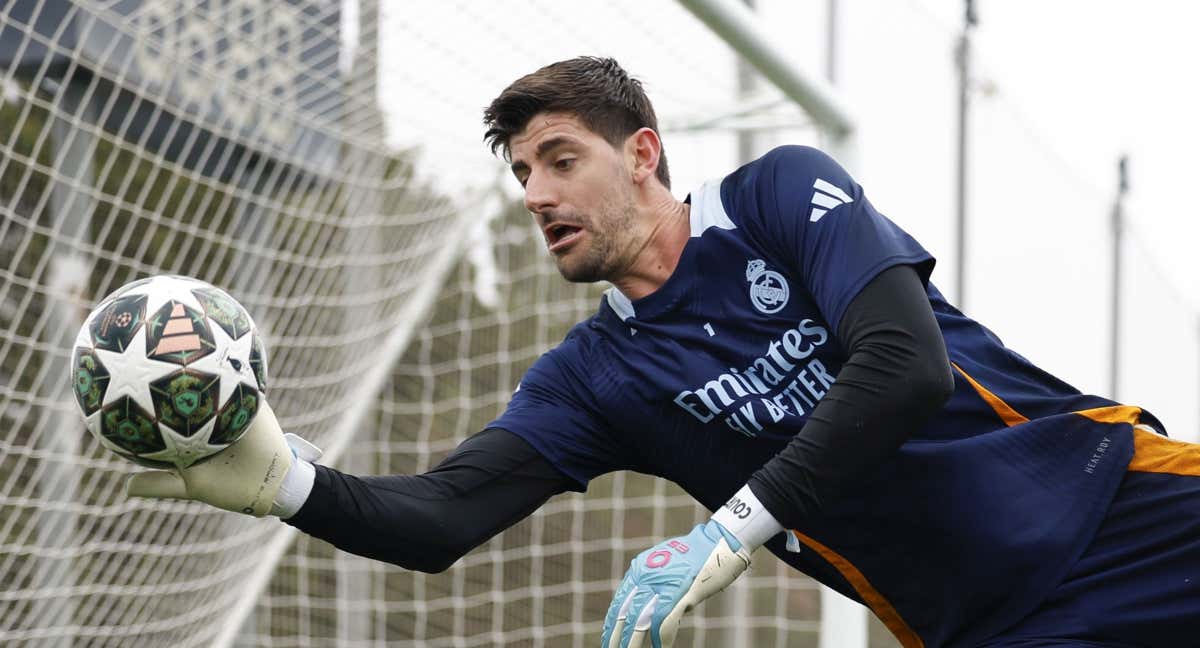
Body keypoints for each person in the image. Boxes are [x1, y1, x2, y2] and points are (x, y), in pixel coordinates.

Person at [126, 57, 1200, 647]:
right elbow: (441, 520)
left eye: (560, 158)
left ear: (643, 154)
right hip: (988, 628)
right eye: (522, 176)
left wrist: (731, 530)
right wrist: (285, 484)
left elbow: (903, 367)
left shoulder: (775, 197)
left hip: (1128, 510)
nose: (538, 194)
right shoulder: (593, 380)